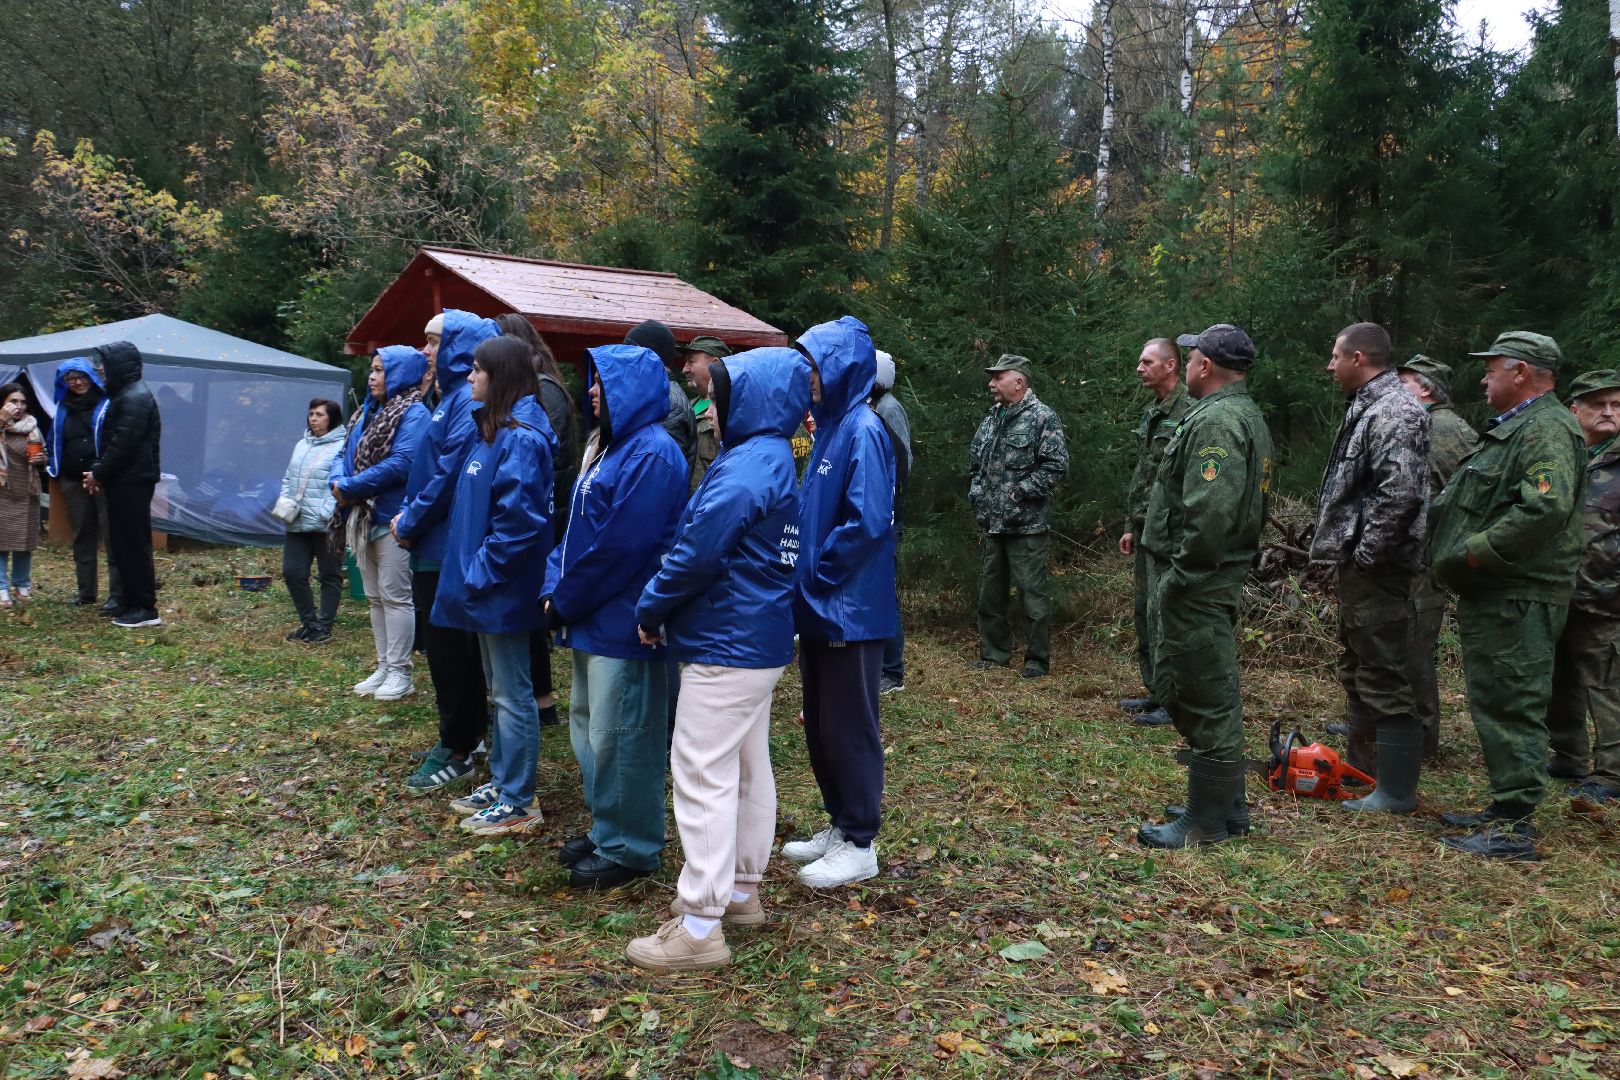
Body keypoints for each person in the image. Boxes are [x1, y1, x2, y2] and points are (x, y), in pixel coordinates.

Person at [625, 347, 810, 970]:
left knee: (701, 772)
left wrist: (650, 608)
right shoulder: (770, 456)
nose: (707, 405)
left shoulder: (743, 468)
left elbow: (696, 555)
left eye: (718, 393)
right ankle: (740, 892)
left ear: (749, 399)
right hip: (757, 641)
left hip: (727, 642)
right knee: (747, 765)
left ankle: (700, 926)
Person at [1429, 332, 1585, 860]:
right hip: (1500, 593)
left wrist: (1477, 554)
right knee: (1496, 696)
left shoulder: (1545, 429)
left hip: (1518, 591)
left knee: (1513, 699)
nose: (1483, 376)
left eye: (1492, 367)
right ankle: (1504, 807)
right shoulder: (1517, 428)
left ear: (1521, 372)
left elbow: (1545, 507)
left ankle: (1515, 826)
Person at [544, 343, 688, 889]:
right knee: (592, 729)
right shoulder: (609, 447)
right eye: (593, 380)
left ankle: (631, 846)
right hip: (593, 615)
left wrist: (563, 599)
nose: (594, 391)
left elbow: (620, 548)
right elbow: (580, 529)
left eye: (604, 381)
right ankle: (609, 827)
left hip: (624, 620)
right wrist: (553, 584)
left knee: (622, 733)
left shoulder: (651, 453)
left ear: (633, 389)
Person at [1136, 324, 1273, 848]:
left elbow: (1210, 511)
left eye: (1192, 356)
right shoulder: (1241, 414)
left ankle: (1207, 820)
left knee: (1203, 690)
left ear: (1205, 366)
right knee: (1204, 686)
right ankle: (1226, 804)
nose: (1188, 362)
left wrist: (1182, 575)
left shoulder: (1217, 422)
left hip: (1200, 579)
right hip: (1210, 575)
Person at [783, 316, 897, 889]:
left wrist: (818, 574)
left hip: (848, 609)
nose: (808, 377)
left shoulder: (864, 431)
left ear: (843, 367)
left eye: (815, 365)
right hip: (821, 606)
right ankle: (839, 823)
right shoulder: (829, 429)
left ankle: (860, 840)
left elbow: (867, 521)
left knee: (851, 726)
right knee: (822, 725)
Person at [435, 336, 554, 836]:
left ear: (500, 376)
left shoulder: (522, 437)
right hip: (482, 591)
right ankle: (505, 781)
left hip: (500, 591)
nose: (469, 377)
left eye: (478, 370)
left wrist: (479, 573)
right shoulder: (495, 430)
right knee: (499, 690)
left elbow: (519, 524)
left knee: (512, 693)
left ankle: (520, 801)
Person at [1312, 323, 1430, 814]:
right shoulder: (1366, 406)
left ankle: (1396, 792)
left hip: (1379, 567)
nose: (1329, 365)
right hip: (1359, 563)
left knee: (1382, 670)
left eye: (1335, 356)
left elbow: (1398, 493)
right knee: (1358, 662)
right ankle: (1365, 771)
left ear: (1359, 358)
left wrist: (1365, 553)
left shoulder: (1396, 411)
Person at [393, 311, 501, 791]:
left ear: (460, 346)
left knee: (449, 651)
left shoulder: (463, 402)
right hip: (429, 541)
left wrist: (410, 520)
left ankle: (459, 745)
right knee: (442, 650)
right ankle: (459, 734)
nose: (425, 351)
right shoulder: (448, 397)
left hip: (442, 547)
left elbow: (449, 473)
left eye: (434, 341)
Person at [330, 346, 430, 702]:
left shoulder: (414, 414)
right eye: (371, 370)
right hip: (362, 515)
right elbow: (343, 454)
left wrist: (350, 487)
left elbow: (403, 463)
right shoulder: (367, 411)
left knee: (395, 597)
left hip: (392, 517)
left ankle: (401, 672)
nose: (372, 377)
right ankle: (385, 665)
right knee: (374, 597)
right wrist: (337, 482)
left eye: (380, 370)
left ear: (400, 373)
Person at [495, 312, 578, 729]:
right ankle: (536, 700)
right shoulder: (540, 389)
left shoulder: (545, 392)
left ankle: (541, 702)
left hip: (547, 514)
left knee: (530, 614)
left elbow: (550, 460)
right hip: (546, 511)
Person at [1396, 355, 1478, 758]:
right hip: (1411, 558)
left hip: (1425, 561)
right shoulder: (1424, 425)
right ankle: (1394, 723)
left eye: (1404, 382)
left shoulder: (1442, 429)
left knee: (1414, 647)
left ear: (1425, 388)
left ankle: (1421, 737)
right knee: (1398, 642)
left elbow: (1460, 501)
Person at [968, 354, 1069, 677]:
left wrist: (1019, 492)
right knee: (990, 594)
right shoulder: (993, 418)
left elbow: (1056, 467)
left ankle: (1037, 660)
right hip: (995, 525)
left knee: (1033, 597)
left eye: (998, 378)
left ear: (1019, 381)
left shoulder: (1042, 418)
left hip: (1027, 526)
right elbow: (976, 463)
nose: (991, 384)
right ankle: (994, 655)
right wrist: (977, 492)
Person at [1545, 369, 1620, 805]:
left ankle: (1612, 773)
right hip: (1560, 591)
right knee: (1561, 679)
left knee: (1607, 683)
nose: (1609, 412)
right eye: (1598, 405)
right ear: (1575, 411)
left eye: (1616, 405)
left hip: (1608, 598)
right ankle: (1569, 755)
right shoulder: (1567, 454)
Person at [1118, 338, 1190, 726]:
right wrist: (1132, 525)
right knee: (1145, 613)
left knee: (1165, 615)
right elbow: (1146, 474)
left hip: (1170, 533)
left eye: (1147, 362)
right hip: (1146, 529)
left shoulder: (1189, 412)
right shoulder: (1154, 412)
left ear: (1171, 366)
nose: (1139, 368)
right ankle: (1154, 689)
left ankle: (1173, 698)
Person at [83, 341, 162, 630]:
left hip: (133, 481)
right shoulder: (126, 395)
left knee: (134, 545)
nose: (99, 369)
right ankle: (129, 601)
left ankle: (145, 608)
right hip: (123, 480)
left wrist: (98, 473)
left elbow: (122, 446)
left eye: (104, 363)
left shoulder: (135, 398)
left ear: (119, 366)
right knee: (122, 544)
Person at [46, 358, 120, 612]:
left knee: (112, 535)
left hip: (103, 479)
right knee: (82, 535)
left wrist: (100, 471)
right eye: (71, 378)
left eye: (82, 377)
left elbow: (115, 441)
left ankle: (117, 594)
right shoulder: (62, 408)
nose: (77, 382)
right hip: (73, 480)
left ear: (92, 377)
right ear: (64, 382)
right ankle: (86, 592)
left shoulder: (107, 405)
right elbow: (53, 441)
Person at [278, 399, 347, 644]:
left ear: (332, 418)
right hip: (296, 520)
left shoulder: (343, 445)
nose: (313, 419)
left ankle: (324, 627)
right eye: (311, 414)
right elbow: (288, 477)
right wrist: (285, 501)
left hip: (326, 523)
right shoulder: (301, 444)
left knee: (329, 574)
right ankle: (309, 623)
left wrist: (326, 511)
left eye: (319, 414)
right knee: (292, 572)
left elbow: (342, 481)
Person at [871, 350, 912, 694]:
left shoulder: (888, 409)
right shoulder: (873, 409)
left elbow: (899, 463)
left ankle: (892, 671)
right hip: (880, 517)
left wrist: (889, 510)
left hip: (887, 518)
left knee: (885, 592)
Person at [624, 319, 697, 471]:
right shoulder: (658, 396)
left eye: (630, 353)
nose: (625, 361)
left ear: (649, 356)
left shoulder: (668, 402)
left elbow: (659, 471)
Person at [0, 384, 44, 607]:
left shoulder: (33, 426)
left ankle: (22, 585)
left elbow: (43, 454)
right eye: (12, 401)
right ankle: (1, 589)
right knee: (1, 541)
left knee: (24, 540)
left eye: (22, 402)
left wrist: (41, 460)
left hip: (26, 490)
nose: (18, 406)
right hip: (2, 490)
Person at [681, 335, 731, 488]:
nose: (684, 369)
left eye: (691, 361)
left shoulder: (731, 410)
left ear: (714, 364)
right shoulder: (685, 406)